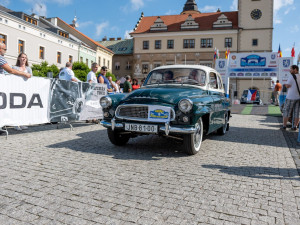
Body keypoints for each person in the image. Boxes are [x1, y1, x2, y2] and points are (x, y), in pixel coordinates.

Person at [12, 53, 33, 130]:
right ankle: (15, 124)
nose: (24, 59)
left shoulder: (29, 68)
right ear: (19, 58)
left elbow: (31, 76)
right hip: (16, 89)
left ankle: (22, 123)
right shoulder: (14, 67)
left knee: (23, 107)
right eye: (22, 57)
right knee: (16, 107)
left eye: (25, 58)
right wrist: (24, 74)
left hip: (25, 90)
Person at [281, 65, 300, 130]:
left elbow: (288, 86)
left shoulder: (291, 76)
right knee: (296, 112)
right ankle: (295, 126)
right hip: (298, 97)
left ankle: (284, 125)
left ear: (295, 69)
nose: (290, 70)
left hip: (290, 97)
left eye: (291, 69)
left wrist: (285, 84)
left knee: (286, 111)